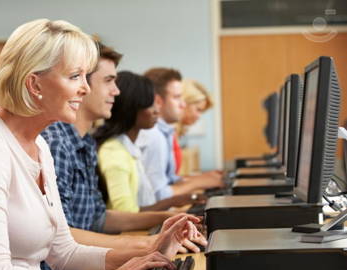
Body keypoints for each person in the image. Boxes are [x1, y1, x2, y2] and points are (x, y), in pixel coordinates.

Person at [0, 19, 202, 270]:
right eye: (75, 76)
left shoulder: (39, 144)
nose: (85, 88)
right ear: (34, 84)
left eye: (86, 77)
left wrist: (153, 251)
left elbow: (63, 251)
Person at [41, 44, 205, 252]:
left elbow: (98, 218)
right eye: (109, 81)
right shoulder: (57, 143)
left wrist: (168, 218)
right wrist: (147, 244)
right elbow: (61, 237)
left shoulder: (85, 144)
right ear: (81, 85)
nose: (116, 91)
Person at [94, 71, 202, 215]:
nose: (156, 111)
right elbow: (127, 213)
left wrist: (174, 201)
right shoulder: (114, 151)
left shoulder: (129, 147)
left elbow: (140, 206)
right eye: (150, 105)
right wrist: (172, 211)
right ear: (132, 109)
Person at [137, 68, 223, 201]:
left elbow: (170, 179)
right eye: (177, 97)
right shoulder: (154, 135)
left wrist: (201, 179)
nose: (182, 104)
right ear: (158, 101)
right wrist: (198, 182)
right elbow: (159, 195)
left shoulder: (164, 133)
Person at [174, 79, 214, 174]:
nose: (199, 116)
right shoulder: (166, 133)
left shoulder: (175, 133)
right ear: (184, 103)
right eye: (198, 110)